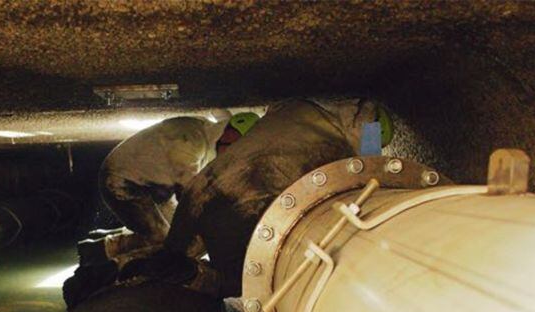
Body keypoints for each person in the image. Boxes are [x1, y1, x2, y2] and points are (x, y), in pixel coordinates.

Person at [146, 98, 390, 296]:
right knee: (245, 281)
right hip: (247, 206)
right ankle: (190, 276)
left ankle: (147, 273)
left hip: (201, 186)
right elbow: (372, 175)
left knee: (171, 256)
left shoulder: (291, 107)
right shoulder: (368, 126)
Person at [98, 112, 260, 249]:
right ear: (230, 132)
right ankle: (107, 258)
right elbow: (189, 192)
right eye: (236, 144)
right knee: (163, 240)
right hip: (122, 182)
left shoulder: (212, 136)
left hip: (158, 187)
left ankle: (111, 243)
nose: (233, 153)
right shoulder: (189, 141)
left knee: (185, 238)